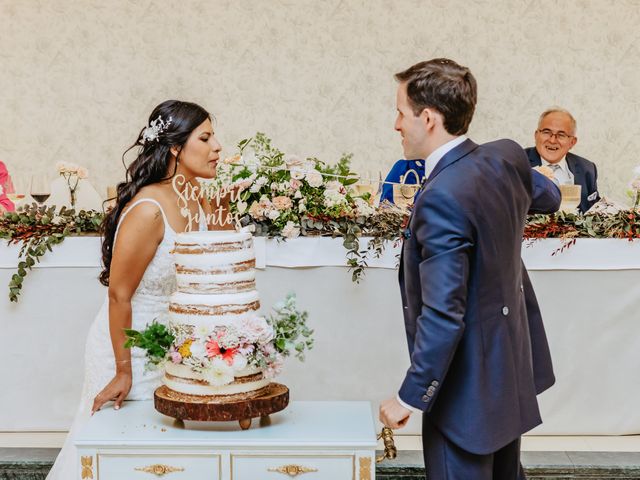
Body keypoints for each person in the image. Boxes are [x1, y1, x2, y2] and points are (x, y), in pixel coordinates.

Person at [378, 59, 560, 479]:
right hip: (506, 374)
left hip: (464, 396)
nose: (396, 125)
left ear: (428, 117)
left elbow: (445, 312)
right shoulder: (505, 157)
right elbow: (548, 197)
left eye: (400, 113)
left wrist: (410, 397)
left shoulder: (443, 195)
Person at [47, 100, 229, 479]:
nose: (218, 148)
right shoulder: (148, 208)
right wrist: (123, 370)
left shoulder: (197, 199)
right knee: (128, 458)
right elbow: (119, 295)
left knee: (168, 462)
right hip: (132, 347)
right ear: (176, 147)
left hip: (177, 348)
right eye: (206, 138)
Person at [526, 108, 599, 212]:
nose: (552, 140)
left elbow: (593, 211)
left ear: (572, 142)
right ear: (536, 135)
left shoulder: (587, 169)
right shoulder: (518, 164)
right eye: (547, 132)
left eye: (561, 135)